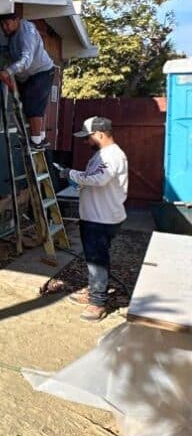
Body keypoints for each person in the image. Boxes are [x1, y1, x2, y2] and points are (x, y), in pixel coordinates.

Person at [57, 117, 129, 321]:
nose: (86, 142)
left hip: (102, 218)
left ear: (100, 134)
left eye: (88, 138)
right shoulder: (103, 154)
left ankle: (98, 302)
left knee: (97, 260)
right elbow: (96, 179)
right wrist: (79, 182)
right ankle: (93, 291)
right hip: (96, 215)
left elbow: (99, 179)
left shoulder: (111, 155)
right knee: (93, 258)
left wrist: (70, 173)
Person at [0, 6, 56, 149]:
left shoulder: (26, 33)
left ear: (16, 20)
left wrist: (7, 71)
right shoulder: (13, 34)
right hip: (29, 75)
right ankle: (39, 138)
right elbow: (11, 52)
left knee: (33, 105)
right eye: (2, 25)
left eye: (7, 24)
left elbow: (25, 61)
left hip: (42, 71)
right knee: (30, 105)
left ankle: (35, 142)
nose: (4, 28)